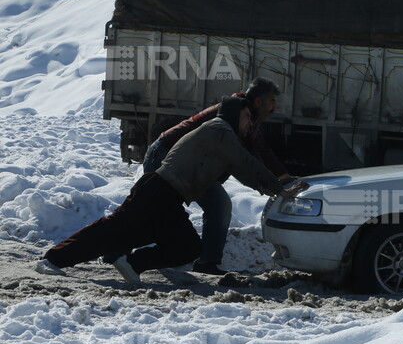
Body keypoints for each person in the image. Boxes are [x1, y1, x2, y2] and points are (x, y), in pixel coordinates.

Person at [35, 98, 305, 283]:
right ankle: (53, 259)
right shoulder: (219, 128)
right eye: (246, 116)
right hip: (157, 190)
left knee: (187, 247)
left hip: (170, 199)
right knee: (113, 229)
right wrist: (278, 188)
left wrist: (273, 186)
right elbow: (246, 163)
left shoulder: (224, 139)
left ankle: (132, 263)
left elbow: (243, 170)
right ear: (234, 115)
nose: (250, 122)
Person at [140, 77, 293, 275]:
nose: (274, 107)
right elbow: (246, 159)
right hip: (165, 157)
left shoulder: (245, 116)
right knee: (153, 211)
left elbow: (259, 149)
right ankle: (120, 251)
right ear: (258, 102)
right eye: (272, 101)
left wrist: (284, 178)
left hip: (192, 166)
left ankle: (207, 262)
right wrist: (278, 185)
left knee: (218, 205)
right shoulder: (234, 114)